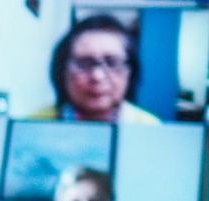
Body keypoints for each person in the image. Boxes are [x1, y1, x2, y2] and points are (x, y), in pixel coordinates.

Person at [29, 15, 159, 124]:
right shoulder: (34, 124)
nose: (97, 76)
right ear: (63, 70)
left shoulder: (149, 128)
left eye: (112, 63)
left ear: (130, 72)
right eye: (84, 63)